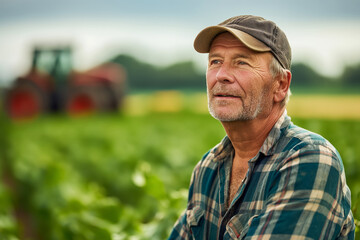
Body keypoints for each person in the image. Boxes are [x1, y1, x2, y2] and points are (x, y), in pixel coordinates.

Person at [168, 15, 355, 239]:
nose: (222, 75)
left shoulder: (311, 159)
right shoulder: (207, 167)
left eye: (241, 62)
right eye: (215, 61)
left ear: (281, 85)